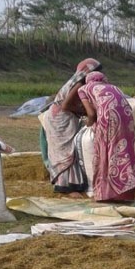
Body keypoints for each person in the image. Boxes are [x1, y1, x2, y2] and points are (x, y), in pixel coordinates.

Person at [41, 58, 102, 196]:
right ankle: (66, 186)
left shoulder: (77, 83)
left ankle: (73, 184)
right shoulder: (79, 84)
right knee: (66, 151)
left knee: (71, 150)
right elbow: (66, 105)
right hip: (60, 120)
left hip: (63, 117)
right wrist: (87, 113)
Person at [78, 72, 135, 203]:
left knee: (105, 153)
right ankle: (126, 194)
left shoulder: (83, 89)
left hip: (109, 118)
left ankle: (106, 194)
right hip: (127, 117)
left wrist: (87, 126)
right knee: (124, 152)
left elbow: (91, 114)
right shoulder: (113, 87)